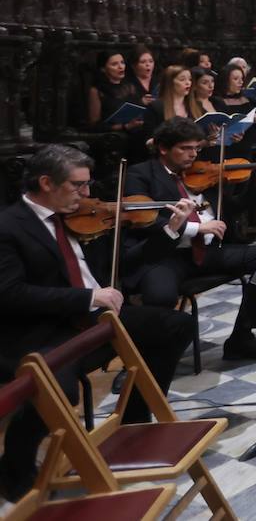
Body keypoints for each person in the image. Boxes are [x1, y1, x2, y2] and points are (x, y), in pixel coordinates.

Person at [0, 145, 196, 501]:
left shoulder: (81, 216)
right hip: (46, 330)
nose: (88, 195)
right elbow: (10, 294)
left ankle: (135, 425)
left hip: (94, 320)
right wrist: (86, 298)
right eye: (78, 185)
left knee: (175, 326)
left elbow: (127, 263)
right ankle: (14, 466)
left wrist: (170, 230)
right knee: (58, 389)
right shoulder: (8, 227)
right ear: (46, 182)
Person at [123, 118, 256, 359]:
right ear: (163, 148)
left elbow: (233, 207)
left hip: (207, 253)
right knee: (160, 297)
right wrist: (194, 229)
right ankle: (140, 362)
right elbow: (140, 217)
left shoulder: (203, 172)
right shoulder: (140, 174)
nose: (192, 155)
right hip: (166, 255)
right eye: (185, 149)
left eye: (196, 148)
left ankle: (242, 337)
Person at [87, 49, 138, 131]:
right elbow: (94, 124)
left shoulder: (130, 85)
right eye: (114, 64)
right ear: (103, 69)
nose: (121, 67)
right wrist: (124, 126)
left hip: (134, 130)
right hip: (112, 135)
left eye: (122, 62)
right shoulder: (96, 90)